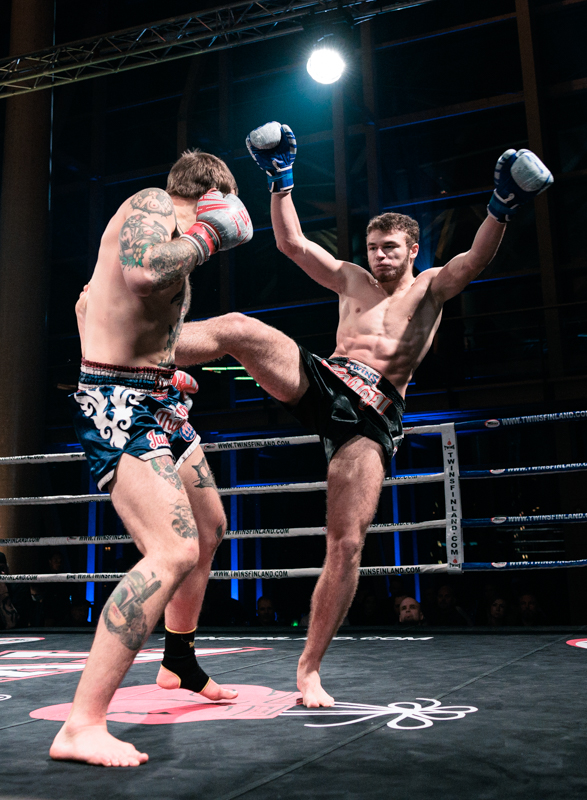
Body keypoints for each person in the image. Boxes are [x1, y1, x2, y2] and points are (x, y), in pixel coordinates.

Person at [169, 121, 553, 707]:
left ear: (412, 250)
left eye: (390, 248)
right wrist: (280, 181)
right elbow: (293, 245)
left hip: (373, 415)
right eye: (374, 247)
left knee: (346, 544)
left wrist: (501, 206)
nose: (380, 256)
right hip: (325, 381)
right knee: (240, 328)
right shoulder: (351, 280)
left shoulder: (430, 288)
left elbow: (474, 259)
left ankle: (309, 669)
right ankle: (140, 354)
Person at [50, 150, 253, 768]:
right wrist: (209, 233)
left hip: (155, 397)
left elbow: (87, 304)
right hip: (118, 403)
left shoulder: (163, 232)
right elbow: (142, 275)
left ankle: (178, 660)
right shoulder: (152, 204)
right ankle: (82, 724)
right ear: (215, 194)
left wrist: (159, 368)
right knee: (173, 549)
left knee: (210, 528)